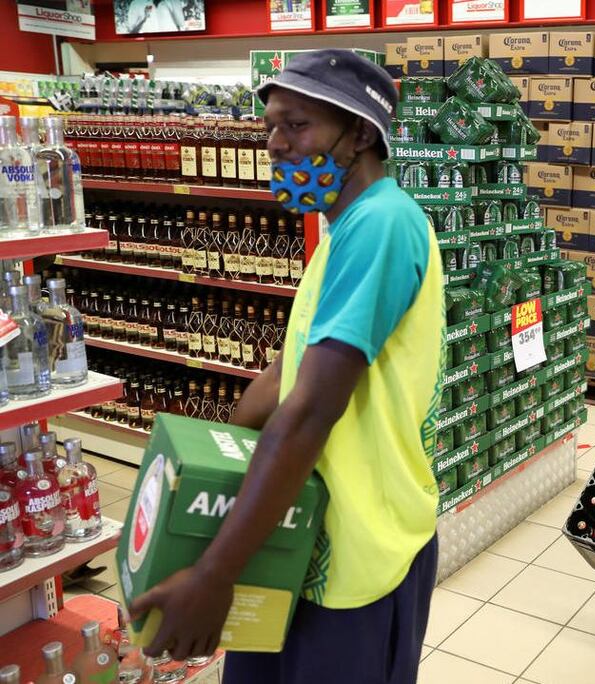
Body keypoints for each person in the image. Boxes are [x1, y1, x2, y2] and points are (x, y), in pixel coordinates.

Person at [129, 50, 445, 684]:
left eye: (296, 125)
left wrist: (215, 572)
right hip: (296, 534)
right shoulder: (340, 233)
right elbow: (279, 383)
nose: (275, 144)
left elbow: (307, 414)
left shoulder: (382, 224)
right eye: (270, 126)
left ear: (360, 133)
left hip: (361, 551)